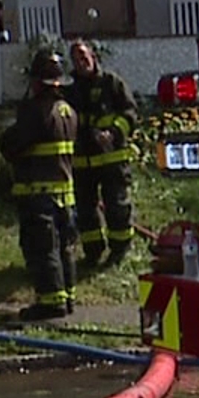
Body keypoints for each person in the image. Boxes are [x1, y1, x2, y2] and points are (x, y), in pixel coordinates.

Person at [2, 49, 80, 321]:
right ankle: (66, 298)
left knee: (42, 249)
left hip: (38, 196)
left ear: (37, 81)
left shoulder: (36, 111)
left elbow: (12, 145)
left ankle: (50, 303)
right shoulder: (68, 111)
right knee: (64, 248)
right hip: (65, 196)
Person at [67, 39, 139, 268]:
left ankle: (119, 253)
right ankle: (92, 253)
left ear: (93, 57)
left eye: (84, 57)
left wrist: (114, 132)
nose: (81, 63)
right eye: (76, 59)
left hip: (112, 160)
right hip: (82, 162)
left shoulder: (112, 83)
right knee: (86, 213)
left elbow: (130, 114)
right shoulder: (70, 90)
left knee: (117, 208)